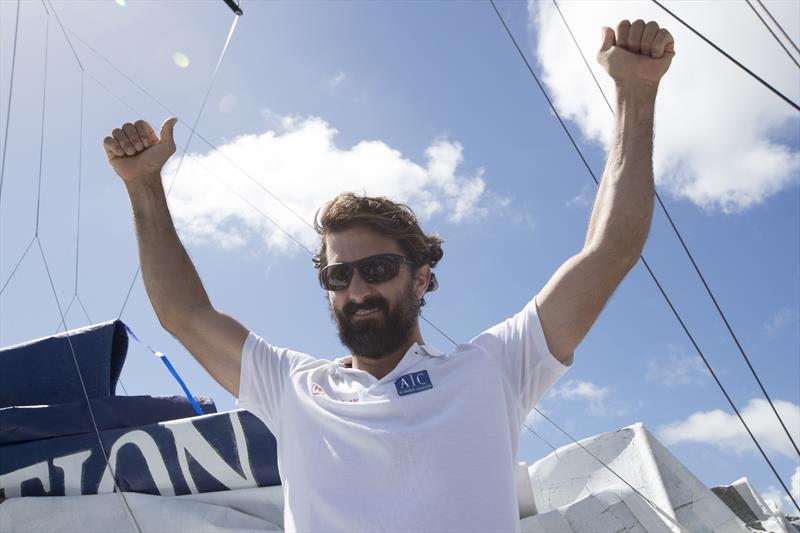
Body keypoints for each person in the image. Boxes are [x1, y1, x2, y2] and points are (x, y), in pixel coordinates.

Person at [103, 19, 674, 532]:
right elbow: (184, 315)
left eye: (376, 269)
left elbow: (609, 252)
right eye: (338, 276)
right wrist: (144, 186)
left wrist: (635, 92)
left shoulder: (496, 368)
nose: (356, 290)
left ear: (421, 278)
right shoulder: (292, 387)